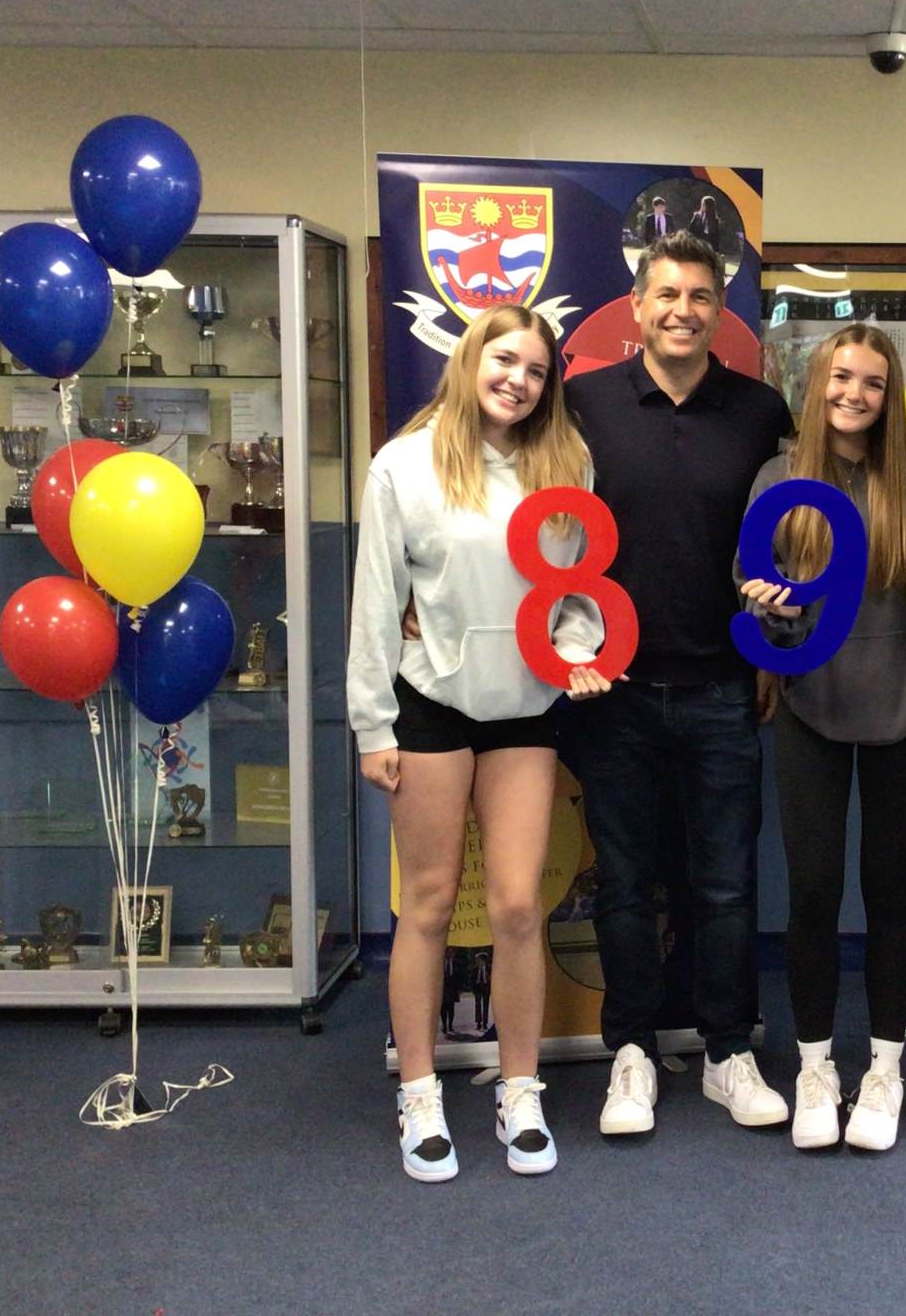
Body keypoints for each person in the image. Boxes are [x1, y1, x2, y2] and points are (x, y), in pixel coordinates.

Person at [348, 304, 608, 1183]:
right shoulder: (404, 465)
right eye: (505, 360)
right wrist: (371, 724)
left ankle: (520, 1089)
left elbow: (579, 595)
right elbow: (376, 602)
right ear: (470, 360)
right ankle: (420, 1093)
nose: (518, 381)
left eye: (535, 370)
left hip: (525, 706)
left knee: (517, 907)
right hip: (430, 705)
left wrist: (577, 653)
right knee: (426, 904)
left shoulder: (565, 464)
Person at [563, 231, 794, 1136]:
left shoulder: (760, 410)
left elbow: (788, 542)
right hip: (611, 689)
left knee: (726, 885)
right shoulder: (583, 402)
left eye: (700, 296)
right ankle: (631, 1052)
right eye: (666, 294)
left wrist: (771, 653)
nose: (682, 311)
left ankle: (728, 1051)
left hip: (724, 690)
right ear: (637, 304)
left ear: (719, 309)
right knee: (624, 883)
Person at [736, 323, 906, 1151]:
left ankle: (884, 1067)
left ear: (890, 396)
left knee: (890, 892)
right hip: (810, 707)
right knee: (813, 892)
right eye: (843, 378)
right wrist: (771, 611)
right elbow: (755, 595)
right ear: (817, 384)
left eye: (874, 382)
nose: (856, 394)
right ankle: (815, 1066)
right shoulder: (778, 477)